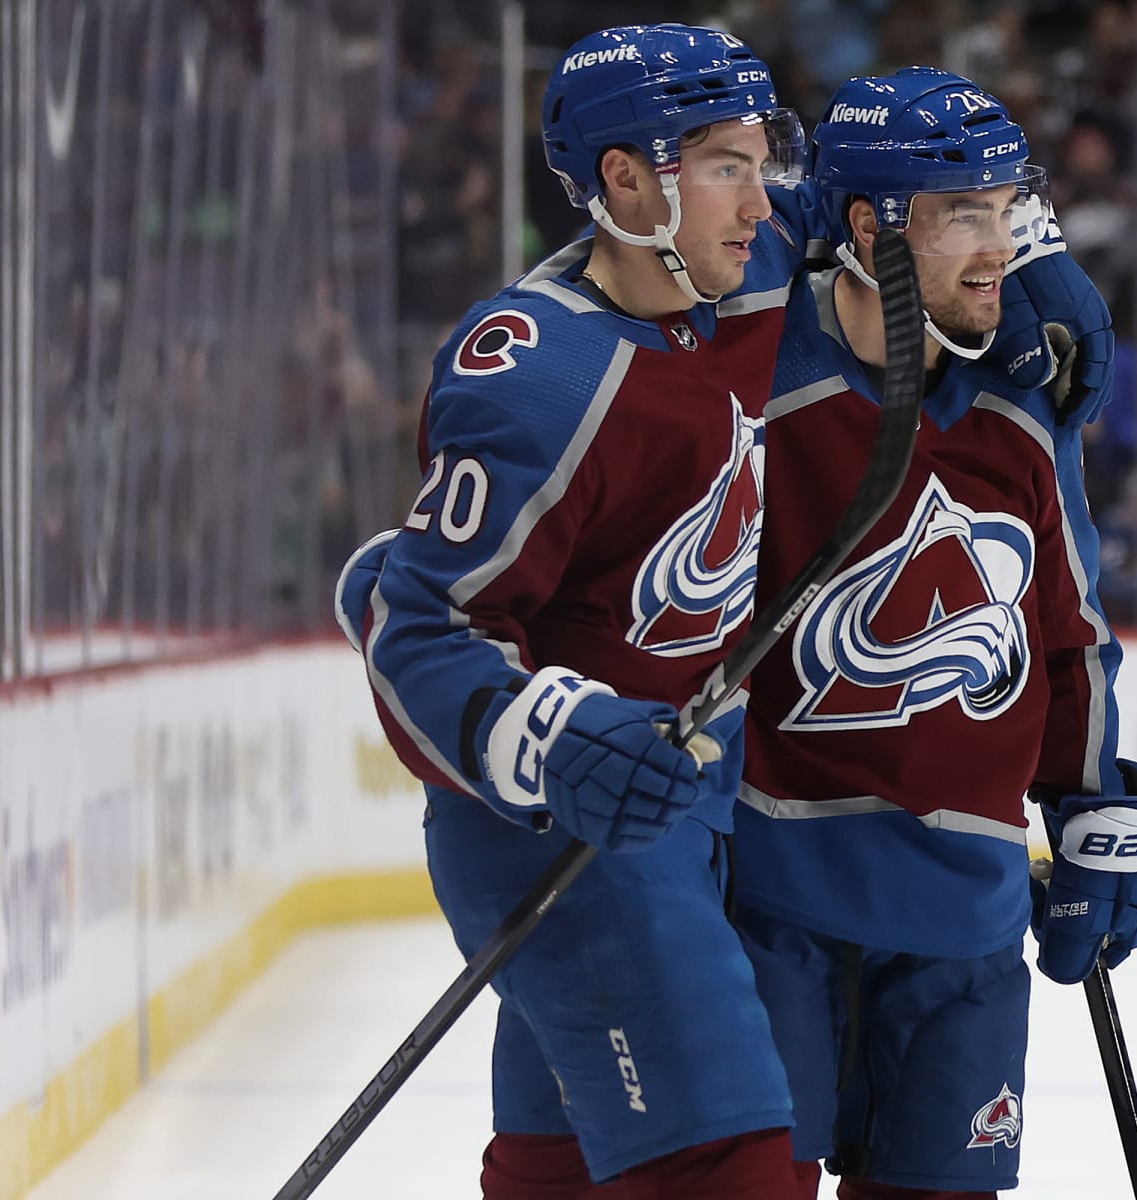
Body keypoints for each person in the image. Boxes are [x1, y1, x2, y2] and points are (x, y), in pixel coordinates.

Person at [336, 24, 812, 1200]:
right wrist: (548, 734)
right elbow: (419, 622)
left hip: (685, 814)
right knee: (732, 1170)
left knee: (563, 1168)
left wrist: (1032, 258)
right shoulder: (544, 371)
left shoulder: (732, 277)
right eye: (724, 167)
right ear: (625, 180)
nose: (761, 205)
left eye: (765, 163)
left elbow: (886, 208)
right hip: (571, 830)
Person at [726, 69, 1137, 1200]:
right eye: (962, 214)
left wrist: (1091, 801)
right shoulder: (763, 377)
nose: (1000, 249)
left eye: (1010, 207)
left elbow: (1069, 631)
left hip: (965, 917)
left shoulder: (1025, 406)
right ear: (870, 227)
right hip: (777, 898)